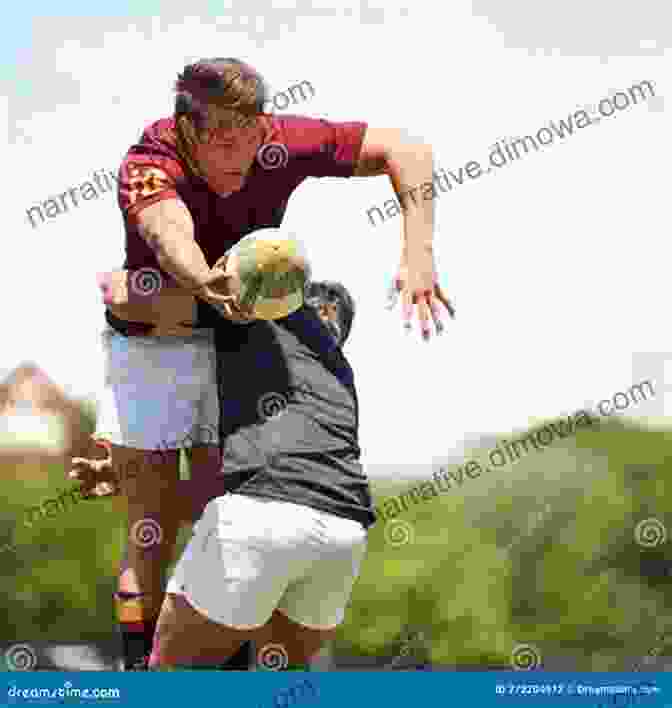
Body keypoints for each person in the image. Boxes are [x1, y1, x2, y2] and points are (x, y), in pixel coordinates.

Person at [74, 55, 452, 672]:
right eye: (224, 147)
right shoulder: (149, 164)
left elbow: (406, 148)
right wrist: (203, 279)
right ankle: (135, 676)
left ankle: (219, 669)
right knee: (151, 530)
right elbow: (169, 232)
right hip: (160, 325)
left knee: (229, 510)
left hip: (236, 327)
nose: (242, 162)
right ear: (191, 133)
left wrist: (419, 254)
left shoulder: (278, 141)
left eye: (251, 142)